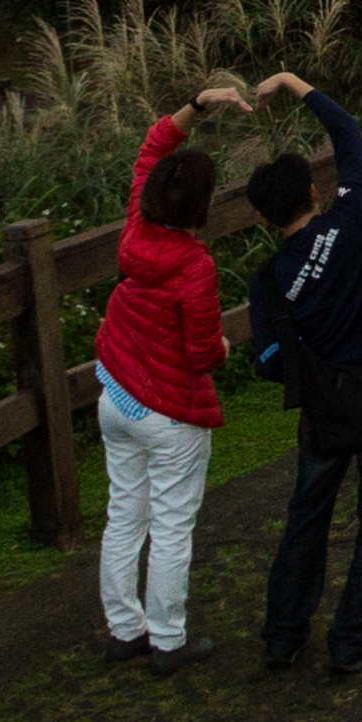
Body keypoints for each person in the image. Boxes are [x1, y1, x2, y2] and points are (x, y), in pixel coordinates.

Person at [248, 81, 362, 675]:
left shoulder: (269, 281)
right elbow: (347, 131)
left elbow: (269, 360)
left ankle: (284, 634)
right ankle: (353, 636)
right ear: (315, 192)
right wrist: (295, 85)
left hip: (327, 413)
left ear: (264, 219)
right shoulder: (355, 217)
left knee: (307, 518)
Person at [93, 88, 243, 669]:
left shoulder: (135, 230)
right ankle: (168, 640)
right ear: (200, 210)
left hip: (117, 398)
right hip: (169, 416)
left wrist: (195, 105)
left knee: (124, 515)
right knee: (173, 525)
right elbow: (202, 352)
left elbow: (149, 150)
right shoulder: (193, 265)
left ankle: (124, 629)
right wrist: (226, 346)